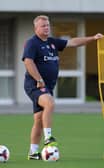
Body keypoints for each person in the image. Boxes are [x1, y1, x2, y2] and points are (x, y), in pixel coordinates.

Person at [22, 15, 104, 160]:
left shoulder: (53, 42)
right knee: (50, 103)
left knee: (39, 120)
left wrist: (93, 38)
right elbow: (28, 62)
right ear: (36, 28)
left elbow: (73, 42)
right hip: (34, 85)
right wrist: (39, 79)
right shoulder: (32, 43)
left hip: (47, 86)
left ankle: (33, 153)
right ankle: (48, 138)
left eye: (48, 25)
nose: (47, 28)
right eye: (43, 26)